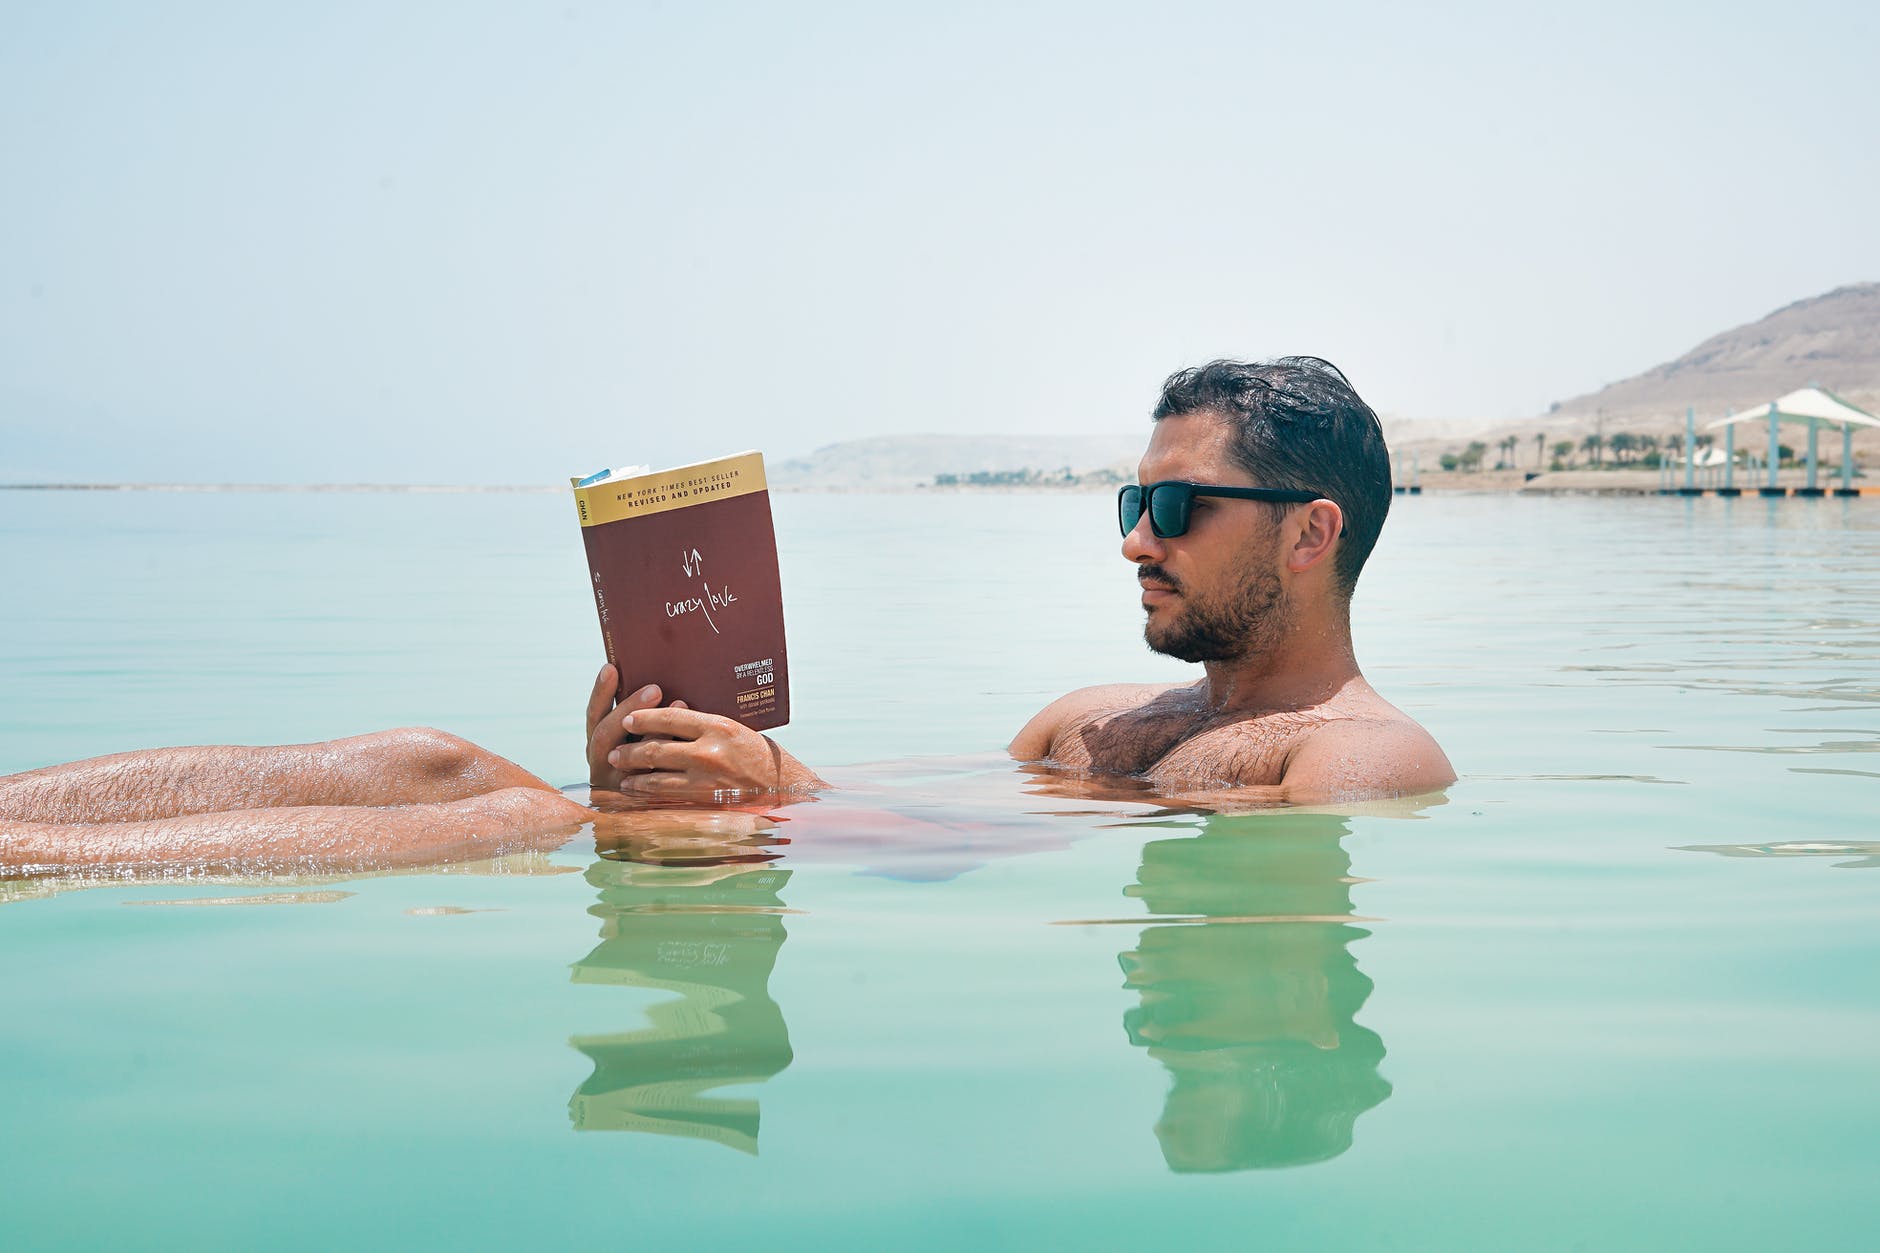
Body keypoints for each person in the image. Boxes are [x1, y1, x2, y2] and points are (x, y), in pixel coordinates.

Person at [0, 356, 1450, 872]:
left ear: (1313, 533)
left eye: (1177, 509)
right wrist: (678, 743)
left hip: (844, 876)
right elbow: (926, 814)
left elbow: (985, 874)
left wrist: (777, 796)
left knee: (523, 822)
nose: (1137, 539)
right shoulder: (1089, 721)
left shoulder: (1359, 759)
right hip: (815, 847)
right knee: (441, 754)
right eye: (1129, 505)